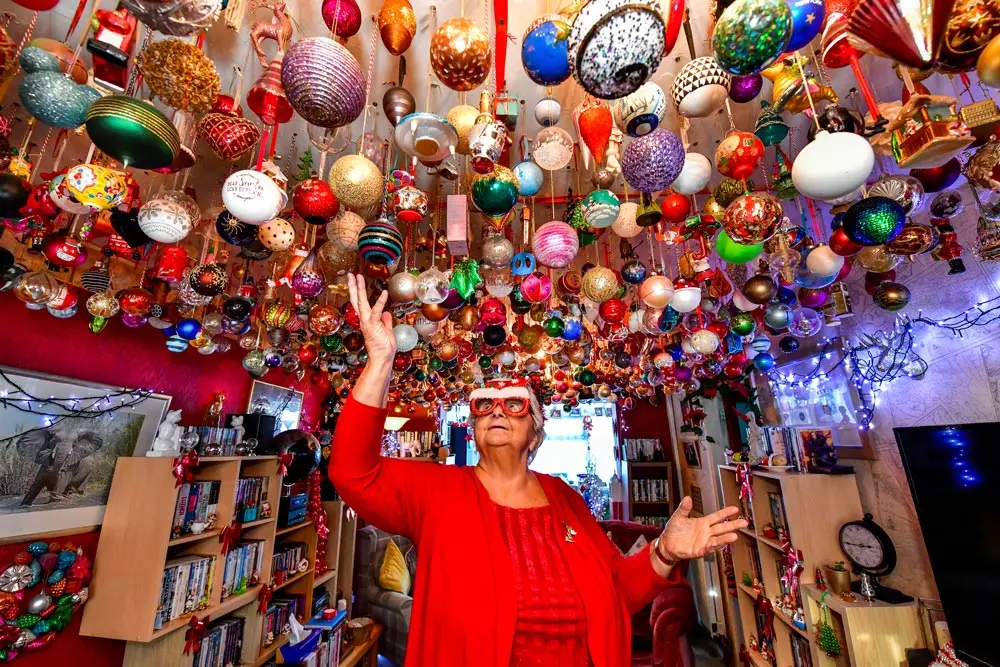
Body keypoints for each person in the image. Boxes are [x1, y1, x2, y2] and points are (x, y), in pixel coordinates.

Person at [330, 274, 748, 667]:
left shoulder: (565, 497)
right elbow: (351, 472)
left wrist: (664, 553)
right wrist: (381, 363)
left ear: (535, 435)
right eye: (484, 406)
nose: (498, 410)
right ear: (473, 430)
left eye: (515, 405)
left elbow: (617, 589)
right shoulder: (437, 488)